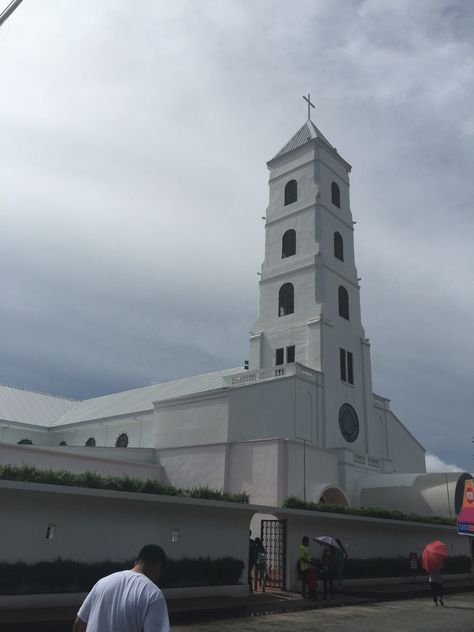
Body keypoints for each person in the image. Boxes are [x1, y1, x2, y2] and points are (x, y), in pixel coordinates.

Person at [72, 544, 169, 632]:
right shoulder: (153, 594)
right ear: (158, 567)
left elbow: (79, 624)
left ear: (136, 562)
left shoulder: (102, 583)